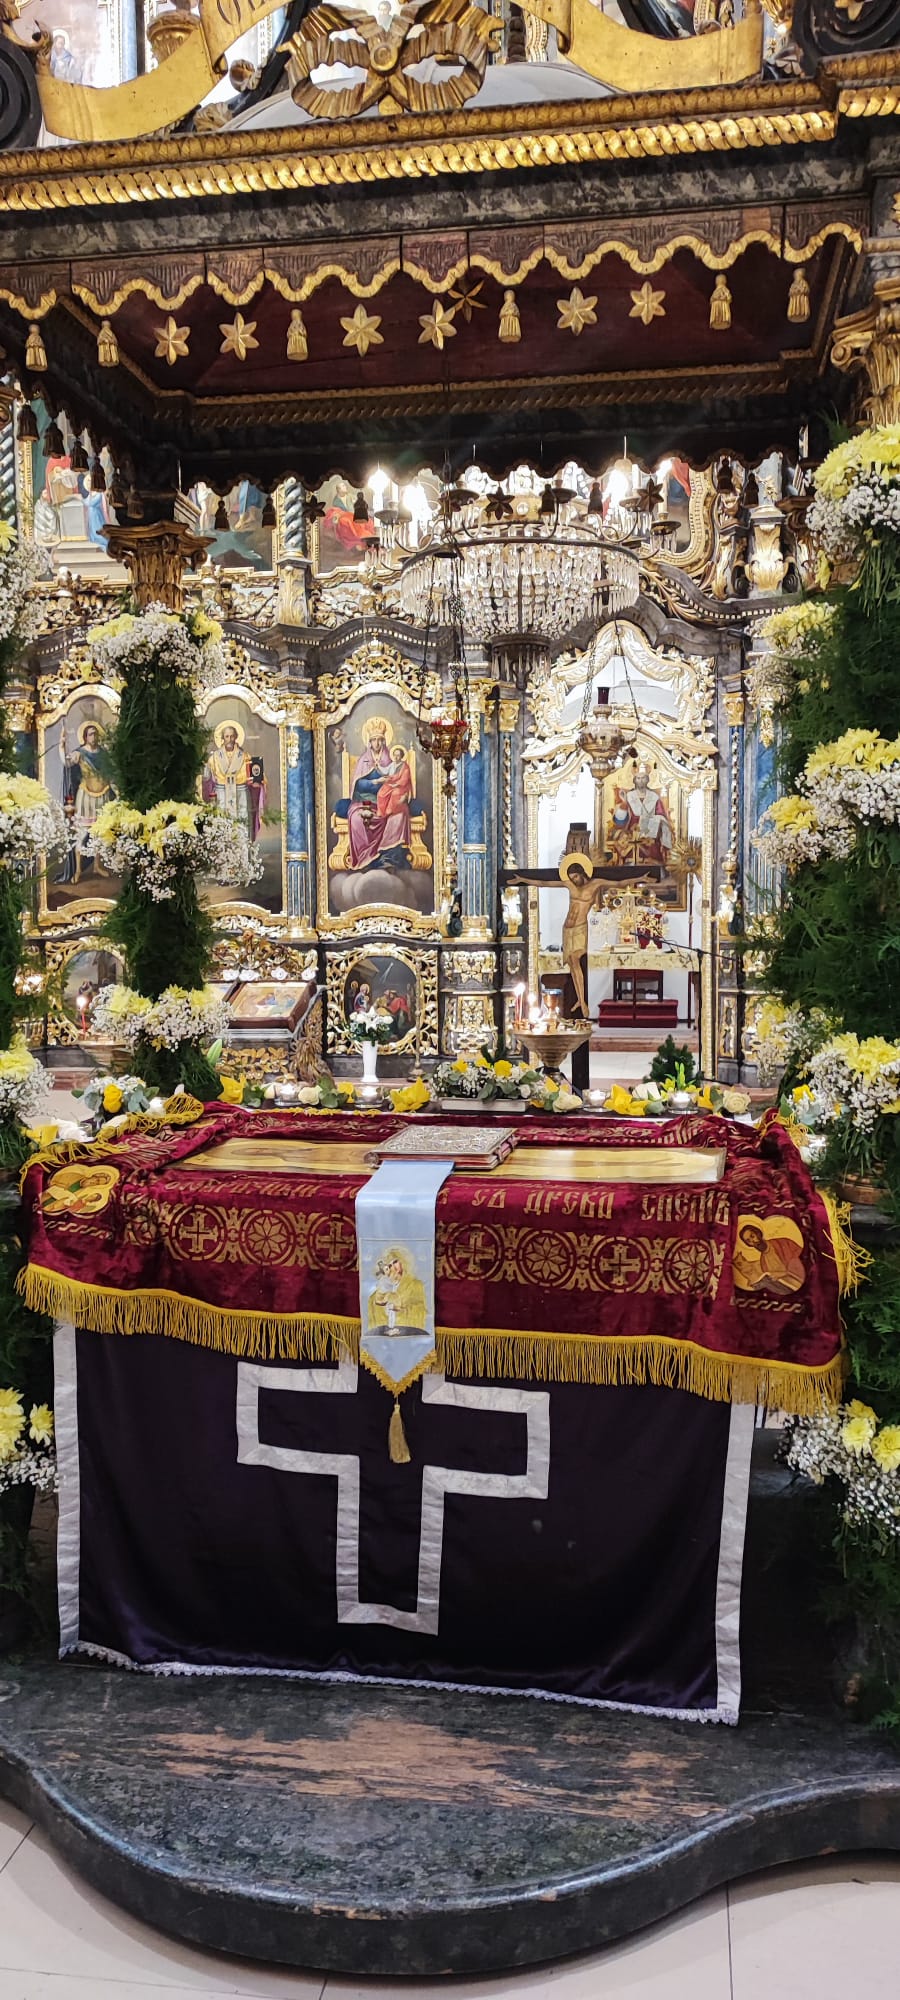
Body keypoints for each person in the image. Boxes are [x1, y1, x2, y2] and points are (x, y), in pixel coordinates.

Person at [346, 716, 412, 870]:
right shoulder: (363, 760)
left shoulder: (391, 760)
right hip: (363, 801)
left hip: (386, 800)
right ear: (369, 742)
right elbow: (357, 784)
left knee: (398, 816)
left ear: (384, 741)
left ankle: (387, 857)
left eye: (379, 740)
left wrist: (388, 784)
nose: (376, 743)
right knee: (356, 819)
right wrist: (373, 783)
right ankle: (364, 859)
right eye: (374, 740)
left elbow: (400, 779)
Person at [59, 719, 115, 883]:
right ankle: (78, 869)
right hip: (86, 798)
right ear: (85, 737)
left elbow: (110, 773)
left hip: (102, 796)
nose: (93, 737)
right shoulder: (80, 753)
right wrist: (62, 746)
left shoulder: (103, 754)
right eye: (90, 734)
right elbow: (67, 762)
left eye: (95, 734)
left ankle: (97, 866)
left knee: (99, 833)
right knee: (82, 833)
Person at [204, 720, 264, 839]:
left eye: (232, 736)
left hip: (241, 793)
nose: (230, 739)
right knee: (222, 821)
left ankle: (243, 847)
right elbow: (207, 780)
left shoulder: (245, 756)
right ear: (222, 738)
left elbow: (255, 777)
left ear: (236, 737)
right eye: (227, 736)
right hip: (221, 794)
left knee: (241, 821)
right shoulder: (214, 758)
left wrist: (256, 782)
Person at [610, 764, 674, 869]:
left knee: (652, 845)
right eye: (638, 778)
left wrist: (656, 820)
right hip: (631, 833)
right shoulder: (629, 796)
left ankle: (654, 870)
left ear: (647, 780)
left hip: (651, 833)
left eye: (643, 778)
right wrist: (624, 803)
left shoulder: (654, 797)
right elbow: (619, 821)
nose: (640, 781)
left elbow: (661, 815)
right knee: (627, 844)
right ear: (634, 780)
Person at [733, 1221, 805, 1297]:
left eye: (752, 1236)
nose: (753, 1241)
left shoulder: (783, 1243)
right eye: (748, 1241)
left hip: (799, 1285)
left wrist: (785, 1273)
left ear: (758, 1233)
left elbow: (804, 1262)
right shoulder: (763, 1262)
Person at [368, 1248, 428, 1337]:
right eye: (389, 1265)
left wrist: (400, 1308)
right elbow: (375, 1306)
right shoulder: (382, 1288)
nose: (393, 1266)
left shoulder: (415, 1285)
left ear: (403, 1262)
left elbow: (421, 1310)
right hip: (385, 1335)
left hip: (409, 1333)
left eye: (395, 1262)